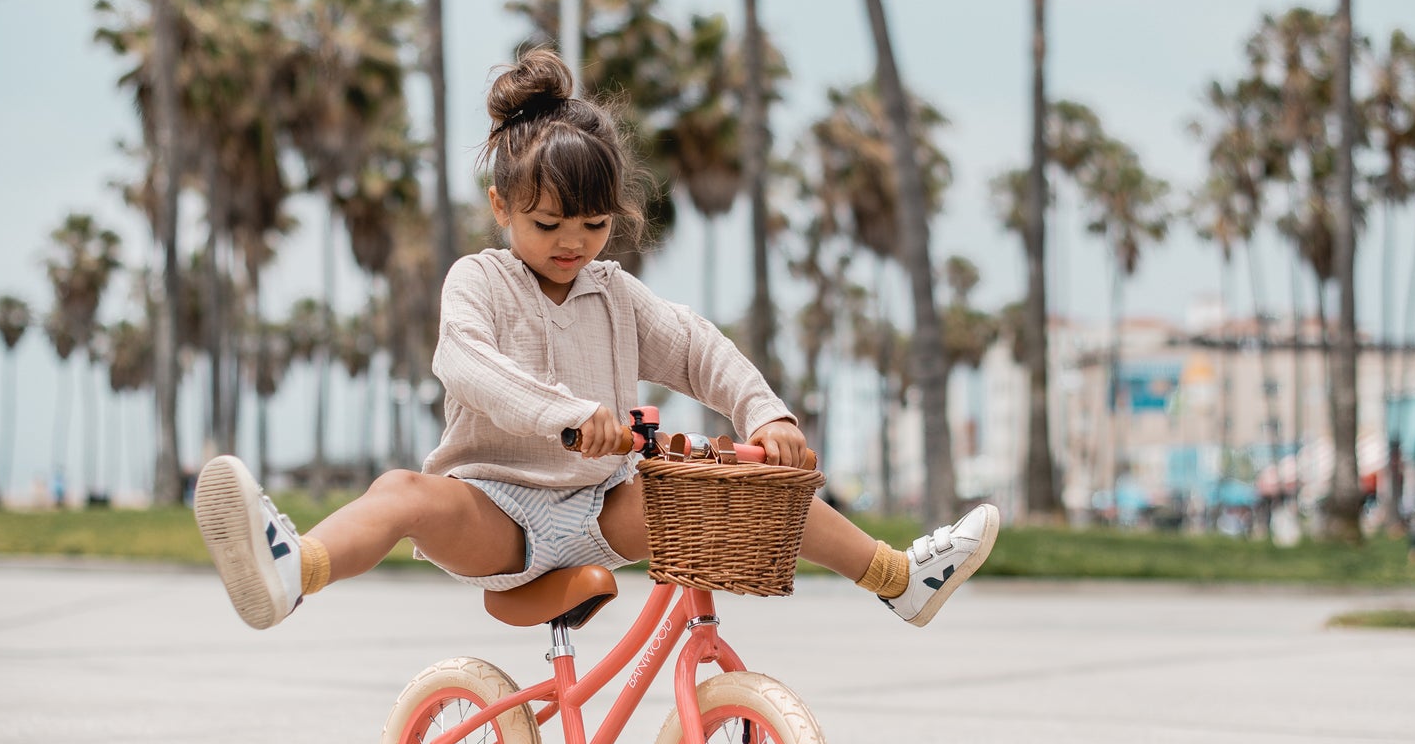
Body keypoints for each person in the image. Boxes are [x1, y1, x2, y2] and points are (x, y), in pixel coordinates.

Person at [194, 48, 998, 631]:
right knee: (402, 490)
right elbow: (467, 365)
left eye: (593, 225)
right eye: (547, 224)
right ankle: (292, 570)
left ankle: (900, 578)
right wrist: (569, 416)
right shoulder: (478, 281)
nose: (571, 242)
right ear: (500, 207)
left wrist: (767, 416)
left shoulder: (613, 294)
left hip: (602, 507)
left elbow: (698, 349)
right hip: (496, 506)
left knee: (745, 487)